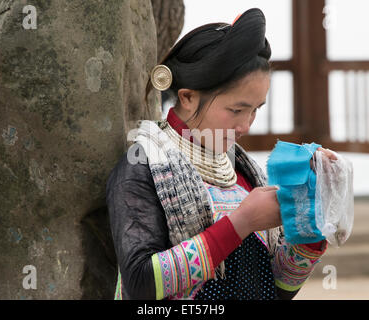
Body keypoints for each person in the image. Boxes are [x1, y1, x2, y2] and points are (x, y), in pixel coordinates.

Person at [106, 8, 336, 300]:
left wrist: (309, 223)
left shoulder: (245, 171)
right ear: (188, 97)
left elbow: (277, 289)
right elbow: (140, 284)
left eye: (255, 110)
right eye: (236, 110)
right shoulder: (142, 167)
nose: (246, 125)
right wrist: (242, 222)